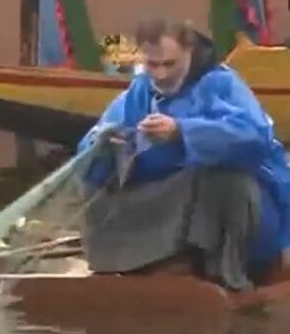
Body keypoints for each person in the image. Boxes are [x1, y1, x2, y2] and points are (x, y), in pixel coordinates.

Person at [77, 17, 290, 290]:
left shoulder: (220, 83)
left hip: (232, 195)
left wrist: (182, 131)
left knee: (226, 183)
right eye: (152, 64)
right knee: (93, 189)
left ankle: (219, 269)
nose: (160, 75)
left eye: (170, 64)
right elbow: (92, 146)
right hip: (164, 194)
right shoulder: (139, 91)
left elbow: (254, 136)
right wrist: (106, 144)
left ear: (189, 51)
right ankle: (136, 264)